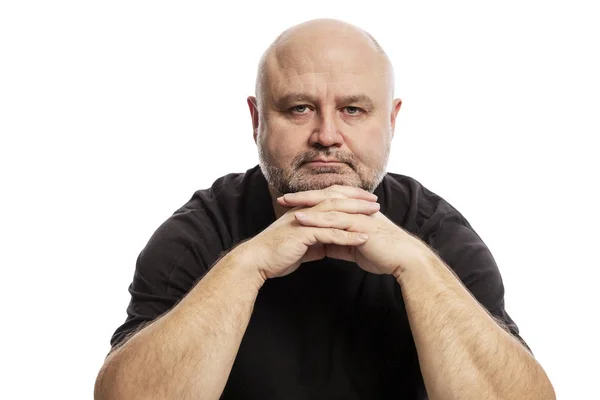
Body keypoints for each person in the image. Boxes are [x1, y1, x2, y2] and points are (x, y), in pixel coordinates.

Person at [94, 18, 555, 400]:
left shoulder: (436, 234)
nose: (327, 135)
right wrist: (247, 266)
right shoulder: (199, 234)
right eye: (299, 108)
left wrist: (416, 268)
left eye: (353, 110)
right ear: (257, 120)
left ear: (391, 121)